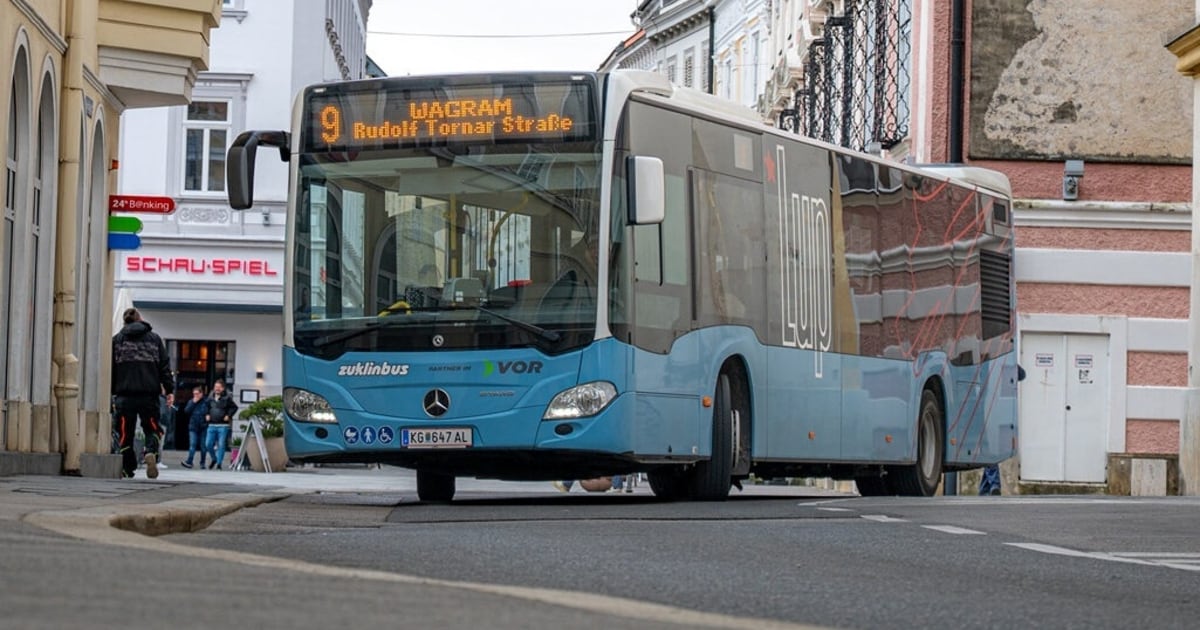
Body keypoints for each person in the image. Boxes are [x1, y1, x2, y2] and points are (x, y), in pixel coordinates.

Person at [111, 308, 174, 479]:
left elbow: (111, 369)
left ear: (125, 322)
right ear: (140, 320)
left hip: (124, 395)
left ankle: (127, 467)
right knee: (152, 427)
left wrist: (111, 392)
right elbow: (164, 366)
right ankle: (151, 451)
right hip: (149, 395)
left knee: (125, 433)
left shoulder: (117, 340)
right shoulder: (154, 340)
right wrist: (169, 389)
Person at [204, 380, 238, 469]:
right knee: (208, 444)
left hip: (223, 426)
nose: (217, 389)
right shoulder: (210, 398)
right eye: (216, 387)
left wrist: (228, 415)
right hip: (211, 425)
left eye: (219, 387)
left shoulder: (227, 398)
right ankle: (214, 458)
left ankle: (219, 463)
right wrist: (207, 414)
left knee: (221, 444)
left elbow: (234, 407)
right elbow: (206, 407)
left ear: (222, 388)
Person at [180, 386, 210, 469]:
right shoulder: (191, 401)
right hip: (193, 427)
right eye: (194, 394)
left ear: (201, 394)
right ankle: (189, 461)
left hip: (203, 427)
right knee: (192, 445)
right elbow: (186, 411)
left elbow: (210, 410)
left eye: (197, 394)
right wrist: (193, 402)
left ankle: (202, 463)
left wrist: (208, 415)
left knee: (203, 446)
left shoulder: (206, 402)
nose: (195, 395)